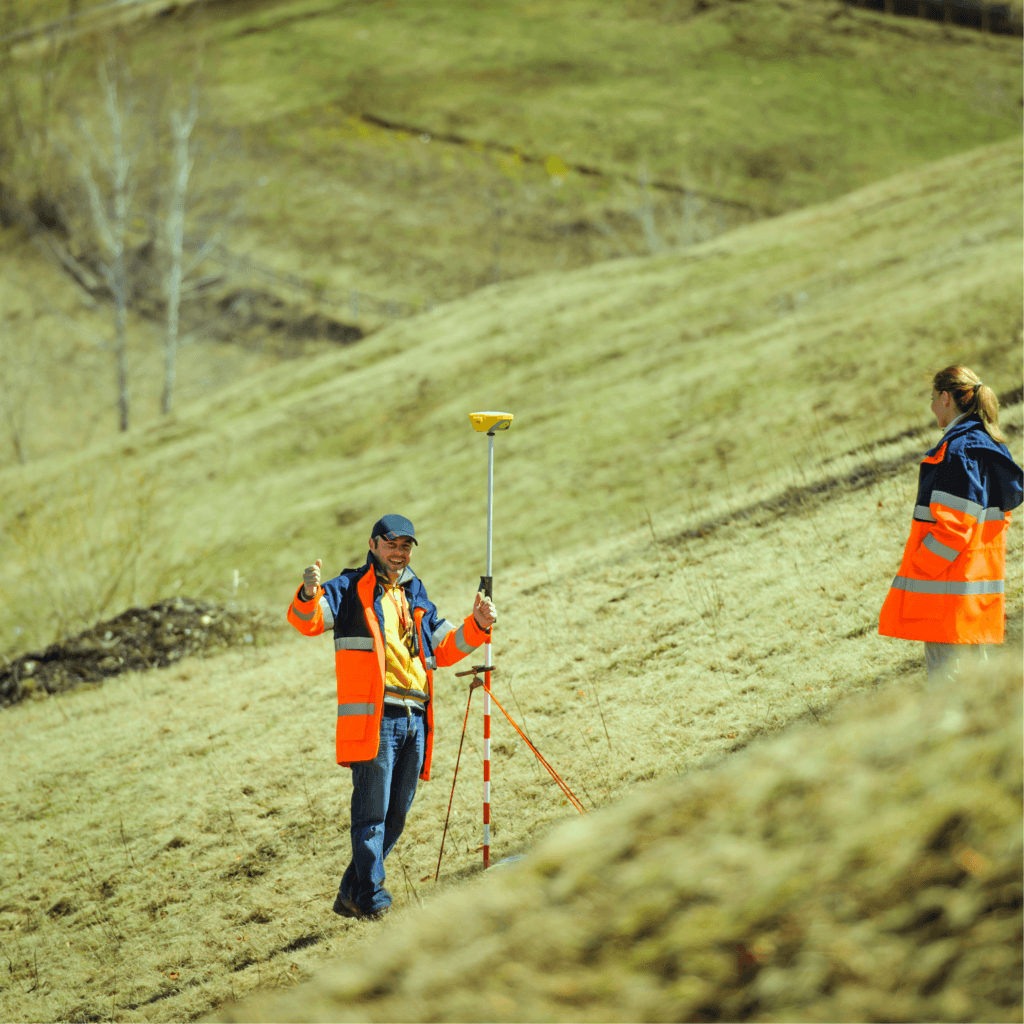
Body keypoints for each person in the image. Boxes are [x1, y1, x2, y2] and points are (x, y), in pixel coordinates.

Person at [287, 513, 497, 920]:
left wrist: (478, 624)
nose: (398, 553)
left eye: (405, 546)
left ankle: (352, 892)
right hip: (375, 720)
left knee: (395, 816)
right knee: (370, 815)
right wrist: (308, 592)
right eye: (391, 544)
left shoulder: (417, 594)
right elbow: (307, 622)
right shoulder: (348, 588)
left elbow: (446, 648)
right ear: (372, 545)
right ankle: (373, 899)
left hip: (415, 717)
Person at [879, 365, 1022, 684]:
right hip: (977, 587)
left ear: (946, 398)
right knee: (981, 688)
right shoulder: (990, 444)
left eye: (932, 398)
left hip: (948, 593)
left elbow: (955, 526)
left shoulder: (957, 451)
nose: (931, 407)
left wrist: (921, 565)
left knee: (950, 691)